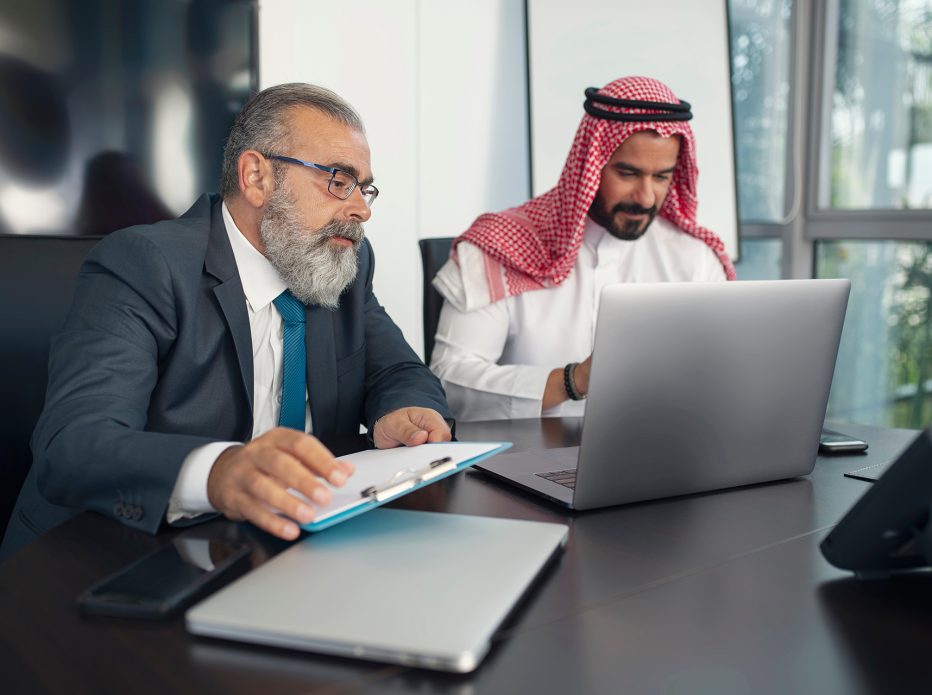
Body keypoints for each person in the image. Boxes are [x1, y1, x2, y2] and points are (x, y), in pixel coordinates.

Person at [2, 83, 453, 556]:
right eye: (339, 180)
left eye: (364, 188)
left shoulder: (343, 263)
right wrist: (217, 471)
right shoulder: (144, 263)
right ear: (256, 177)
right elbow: (74, 444)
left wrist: (402, 411)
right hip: (97, 559)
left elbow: (398, 372)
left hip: (277, 549)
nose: (360, 208)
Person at [430, 76, 736, 422]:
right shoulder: (499, 246)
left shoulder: (695, 259)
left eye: (662, 177)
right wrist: (573, 381)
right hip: (520, 462)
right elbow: (448, 380)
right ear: (591, 164)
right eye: (628, 173)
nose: (646, 197)